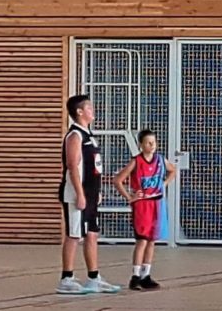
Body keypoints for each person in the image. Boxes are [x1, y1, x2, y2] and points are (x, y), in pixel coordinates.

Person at [57, 94, 119, 295]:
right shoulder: (75, 136)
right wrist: (80, 193)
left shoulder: (89, 135)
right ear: (79, 112)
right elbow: (72, 166)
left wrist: (95, 192)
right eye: (89, 108)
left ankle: (94, 278)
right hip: (76, 194)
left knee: (92, 234)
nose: (93, 111)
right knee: (74, 235)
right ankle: (66, 278)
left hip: (91, 194)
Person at [114, 130, 175, 290]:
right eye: (148, 142)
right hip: (142, 204)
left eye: (154, 142)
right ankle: (135, 276)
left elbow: (173, 170)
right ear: (141, 145)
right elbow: (118, 180)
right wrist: (130, 197)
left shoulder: (160, 160)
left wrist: (164, 184)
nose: (152, 145)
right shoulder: (136, 161)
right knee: (142, 240)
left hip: (157, 203)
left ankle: (146, 275)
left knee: (152, 240)